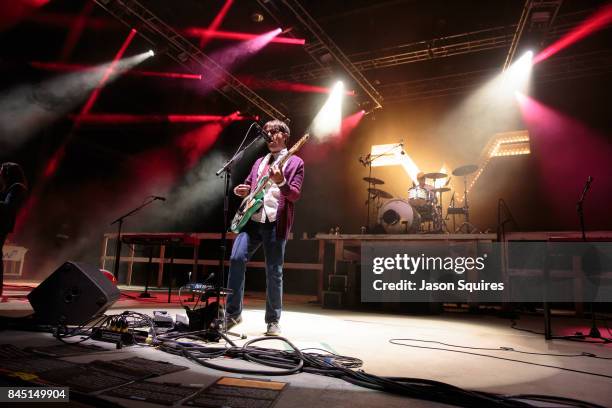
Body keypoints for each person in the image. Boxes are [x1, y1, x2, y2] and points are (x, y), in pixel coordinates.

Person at [226, 120, 304, 336]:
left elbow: (294, 195)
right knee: (235, 259)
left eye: (274, 132)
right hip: (251, 221)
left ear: (285, 135)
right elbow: (251, 186)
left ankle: (273, 321)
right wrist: (243, 190)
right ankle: (232, 314)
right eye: (267, 133)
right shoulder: (259, 162)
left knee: (274, 271)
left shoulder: (296, 162)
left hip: (274, 223)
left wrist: (281, 182)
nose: (269, 136)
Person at [0, 163, 28, 298]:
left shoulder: (17, 187)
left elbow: (8, 207)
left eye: (1, 171)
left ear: (7, 172)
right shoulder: (10, 187)